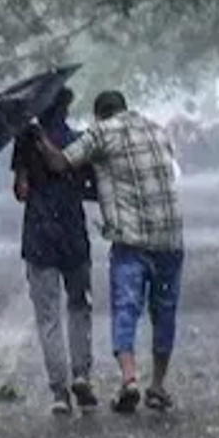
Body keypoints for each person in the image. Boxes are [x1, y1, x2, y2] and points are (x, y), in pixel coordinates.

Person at [35, 90, 184, 414]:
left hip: (131, 242)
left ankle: (130, 379)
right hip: (171, 239)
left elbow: (59, 162)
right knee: (165, 312)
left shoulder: (101, 133)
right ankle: (157, 385)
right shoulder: (157, 129)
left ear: (100, 115)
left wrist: (37, 135)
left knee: (126, 309)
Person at [10, 88, 99, 415]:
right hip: (73, 234)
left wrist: (32, 167)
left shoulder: (25, 141)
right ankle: (82, 374)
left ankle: (60, 392)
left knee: (47, 317)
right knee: (80, 307)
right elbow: (90, 185)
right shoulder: (79, 141)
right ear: (66, 108)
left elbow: (21, 192)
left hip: (38, 236)